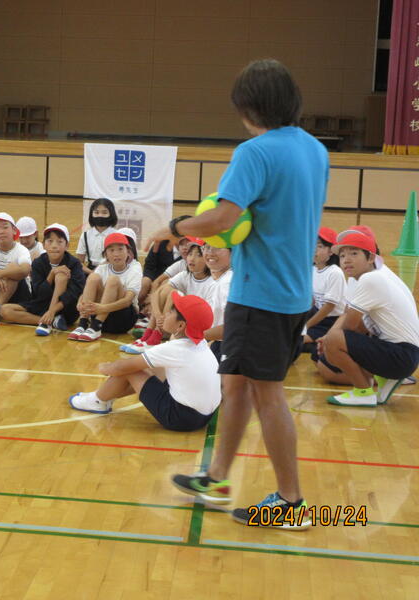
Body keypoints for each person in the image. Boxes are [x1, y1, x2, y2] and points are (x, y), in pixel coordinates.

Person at [150, 59, 328, 529]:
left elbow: (223, 219)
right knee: (234, 385)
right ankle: (216, 478)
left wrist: (174, 228)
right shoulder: (314, 150)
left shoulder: (254, 152)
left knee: (268, 396)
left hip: (262, 295)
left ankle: (291, 503)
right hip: (292, 292)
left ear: (248, 108)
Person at [69, 292, 220, 431]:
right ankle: (102, 397)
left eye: (170, 312)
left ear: (180, 326)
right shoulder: (200, 343)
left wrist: (105, 367)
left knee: (130, 370)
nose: (166, 314)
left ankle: (97, 401)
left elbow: (123, 367)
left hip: (180, 418)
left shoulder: (175, 349)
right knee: (155, 368)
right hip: (203, 417)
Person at [318, 232, 419, 406]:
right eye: (342, 256)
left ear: (371, 258)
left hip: (402, 355)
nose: (346, 260)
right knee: (331, 350)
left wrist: (329, 343)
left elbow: (348, 327)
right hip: (404, 354)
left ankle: (363, 392)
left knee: (333, 342)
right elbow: (357, 326)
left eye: (354, 253)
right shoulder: (373, 276)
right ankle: (384, 377)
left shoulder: (371, 279)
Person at [0, 224, 85, 335]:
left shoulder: (74, 263)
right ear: (43, 245)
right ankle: (51, 322)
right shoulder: (38, 263)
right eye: (50, 241)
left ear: (67, 246)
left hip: (65, 309)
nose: (54, 246)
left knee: (61, 275)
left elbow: (73, 294)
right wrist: (51, 274)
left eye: (59, 242)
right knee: (4, 310)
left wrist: (52, 310)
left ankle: (48, 319)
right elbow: (39, 293)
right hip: (42, 306)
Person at [69, 232, 142, 342]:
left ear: (128, 252)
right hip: (100, 314)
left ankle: (96, 326)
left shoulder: (135, 269)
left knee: (113, 280)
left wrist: (103, 308)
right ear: (105, 255)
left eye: (120, 249)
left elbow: (127, 301)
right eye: (111, 250)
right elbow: (86, 293)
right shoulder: (102, 268)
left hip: (123, 319)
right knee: (93, 277)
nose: (116, 254)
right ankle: (83, 324)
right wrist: (80, 303)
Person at [303, 227, 345, 358]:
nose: (314, 249)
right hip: (317, 313)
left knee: (297, 340)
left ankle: (319, 343)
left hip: (331, 320)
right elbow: (312, 299)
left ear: (331, 251)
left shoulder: (334, 272)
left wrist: (307, 325)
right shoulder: (313, 269)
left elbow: (329, 307)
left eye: (320, 246)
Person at [76, 198, 118, 274]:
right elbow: (79, 262)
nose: (100, 215)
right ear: (91, 214)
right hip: (90, 271)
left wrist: (99, 272)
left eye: (104, 212)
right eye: (96, 212)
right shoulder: (85, 235)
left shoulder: (116, 235)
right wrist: (92, 273)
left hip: (111, 270)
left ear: (111, 214)